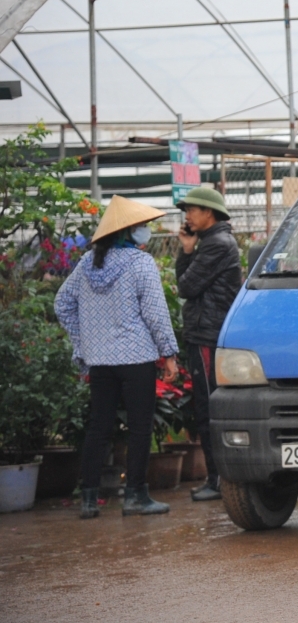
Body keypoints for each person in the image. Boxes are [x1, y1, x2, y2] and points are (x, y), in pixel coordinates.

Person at [55, 196, 180, 519]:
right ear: (128, 231)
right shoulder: (140, 264)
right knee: (140, 428)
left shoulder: (86, 265)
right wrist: (168, 354)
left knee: (99, 427)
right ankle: (135, 496)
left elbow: (62, 304)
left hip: (101, 361)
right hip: (135, 357)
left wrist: (84, 342)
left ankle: (88, 499)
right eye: (142, 226)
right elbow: (155, 314)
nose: (145, 231)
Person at [175, 187, 242, 502]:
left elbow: (186, 286)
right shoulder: (210, 243)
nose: (187, 215)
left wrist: (188, 253)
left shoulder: (216, 244)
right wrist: (187, 250)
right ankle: (218, 477)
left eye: (191, 209)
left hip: (208, 334)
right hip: (205, 332)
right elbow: (185, 283)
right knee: (207, 407)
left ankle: (218, 479)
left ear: (209, 212)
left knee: (208, 408)